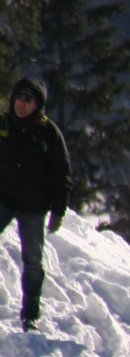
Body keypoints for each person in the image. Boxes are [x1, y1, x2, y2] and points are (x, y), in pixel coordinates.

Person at [1, 77, 69, 331]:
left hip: (34, 205)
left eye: (28, 100)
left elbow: (61, 173)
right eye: (19, 97)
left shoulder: (48, 133)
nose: (21, 104)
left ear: (37, 104)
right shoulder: (4, 125)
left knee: (32, 260)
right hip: (4, 197)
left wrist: (59, 210)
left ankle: (31, 314)